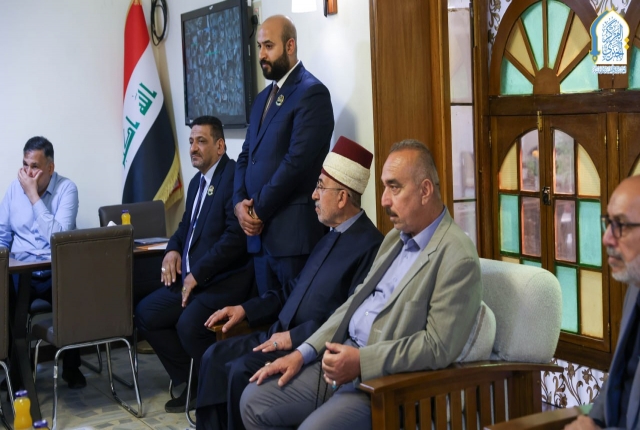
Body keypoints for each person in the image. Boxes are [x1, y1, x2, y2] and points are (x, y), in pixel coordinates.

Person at [240, 139, 483, 429]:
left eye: (394, 187)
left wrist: (361, 361)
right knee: (253, 400)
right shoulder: (394, 239)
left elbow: (436, 347)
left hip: (385, 383)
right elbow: (352, 303)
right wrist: (302, 353)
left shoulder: (457, 256)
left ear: (425, 190)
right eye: (384, 187)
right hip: (340, 356)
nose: (384, 200)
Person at [195, 137, 384, 430]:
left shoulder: (371, 246)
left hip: (305, 348)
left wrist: (294, 338)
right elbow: (290, 290)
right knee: (213, 356)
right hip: (276, 333)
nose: (313, 195)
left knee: (238, 371)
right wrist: (245, 310)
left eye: (320, 186)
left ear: (342, 198)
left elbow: (347, 320)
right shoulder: (328, 235)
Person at [134, 116, 253, 413]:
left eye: (201, 141)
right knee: (146, 313)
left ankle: (212, 392)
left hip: (222, 281)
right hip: (192, 281)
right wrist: (172, 249)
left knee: (188, 325)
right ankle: (193, 380)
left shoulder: (233, 177)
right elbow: (185, 226)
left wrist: (197, 273)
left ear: (220, 146)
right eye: (191, 142)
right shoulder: (198, 181)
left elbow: (234, 238)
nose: (193, 148)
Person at [233, 15, 334, 298]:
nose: (261, 55)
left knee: (295, 318)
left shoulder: (311, 93)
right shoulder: (262, 99)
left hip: (293, 239)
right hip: (259, 239)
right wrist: (239, 204)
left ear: (290, 46)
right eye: (259, 47)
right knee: (267, 319)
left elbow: (297, 164)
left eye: (269, 46)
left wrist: (257, 210)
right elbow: (245, 156)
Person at [0, 136, 84, 388]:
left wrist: (34, 196)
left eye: (34, 166)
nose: (27, 173)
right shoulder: (13, 190)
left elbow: (59, 238)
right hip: (21, 271)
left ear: (50, 167)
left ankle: (71, 368)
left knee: (74, 294)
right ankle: (17, 374)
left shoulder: (67, 189)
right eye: (25, 165)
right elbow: (3, 235)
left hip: (54, 268)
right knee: (6, 300)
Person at [565, 175, 640, 430]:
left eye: (621, 225)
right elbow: (619, 377)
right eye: (608, 222)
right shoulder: (635, 286)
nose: (607, 238)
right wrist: (593, 420)